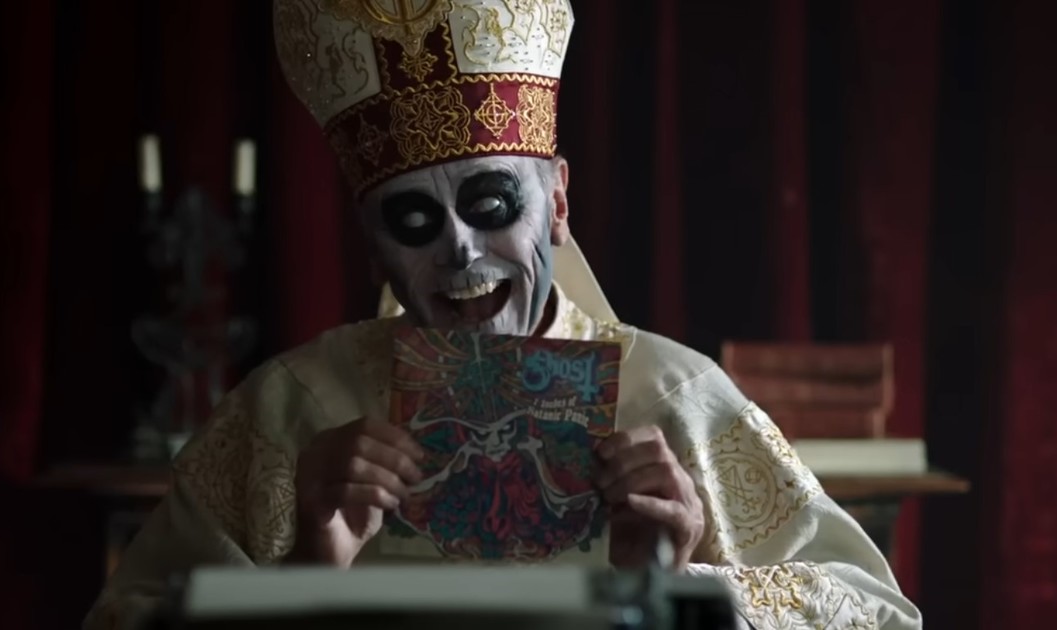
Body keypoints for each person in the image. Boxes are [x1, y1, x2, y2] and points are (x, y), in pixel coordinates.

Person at [85, 1, 922, 628]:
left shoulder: (676, 396)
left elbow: (880, 614)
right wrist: (305, 577)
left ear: (557, 202)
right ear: (372, 249)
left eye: (490, 203)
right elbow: (124, 617)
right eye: (413, 220)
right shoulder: (289, 411)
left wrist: (681, 593)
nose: (458, 250)